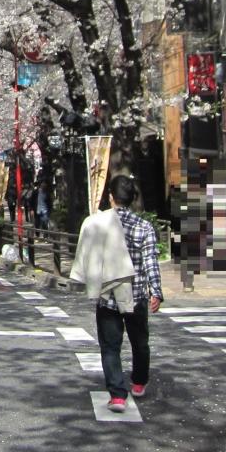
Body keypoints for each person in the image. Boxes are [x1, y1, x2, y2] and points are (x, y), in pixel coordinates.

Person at [75, 174, 163, 413]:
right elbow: (150, 262)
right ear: (133, 198)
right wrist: (156, 291)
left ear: (111, 197)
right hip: (137, 295)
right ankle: (139, 382)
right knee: (140, 342)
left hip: (108, 296)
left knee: (110, 346)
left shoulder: (99, 224)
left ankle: (117, 395)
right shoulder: (144, 226)